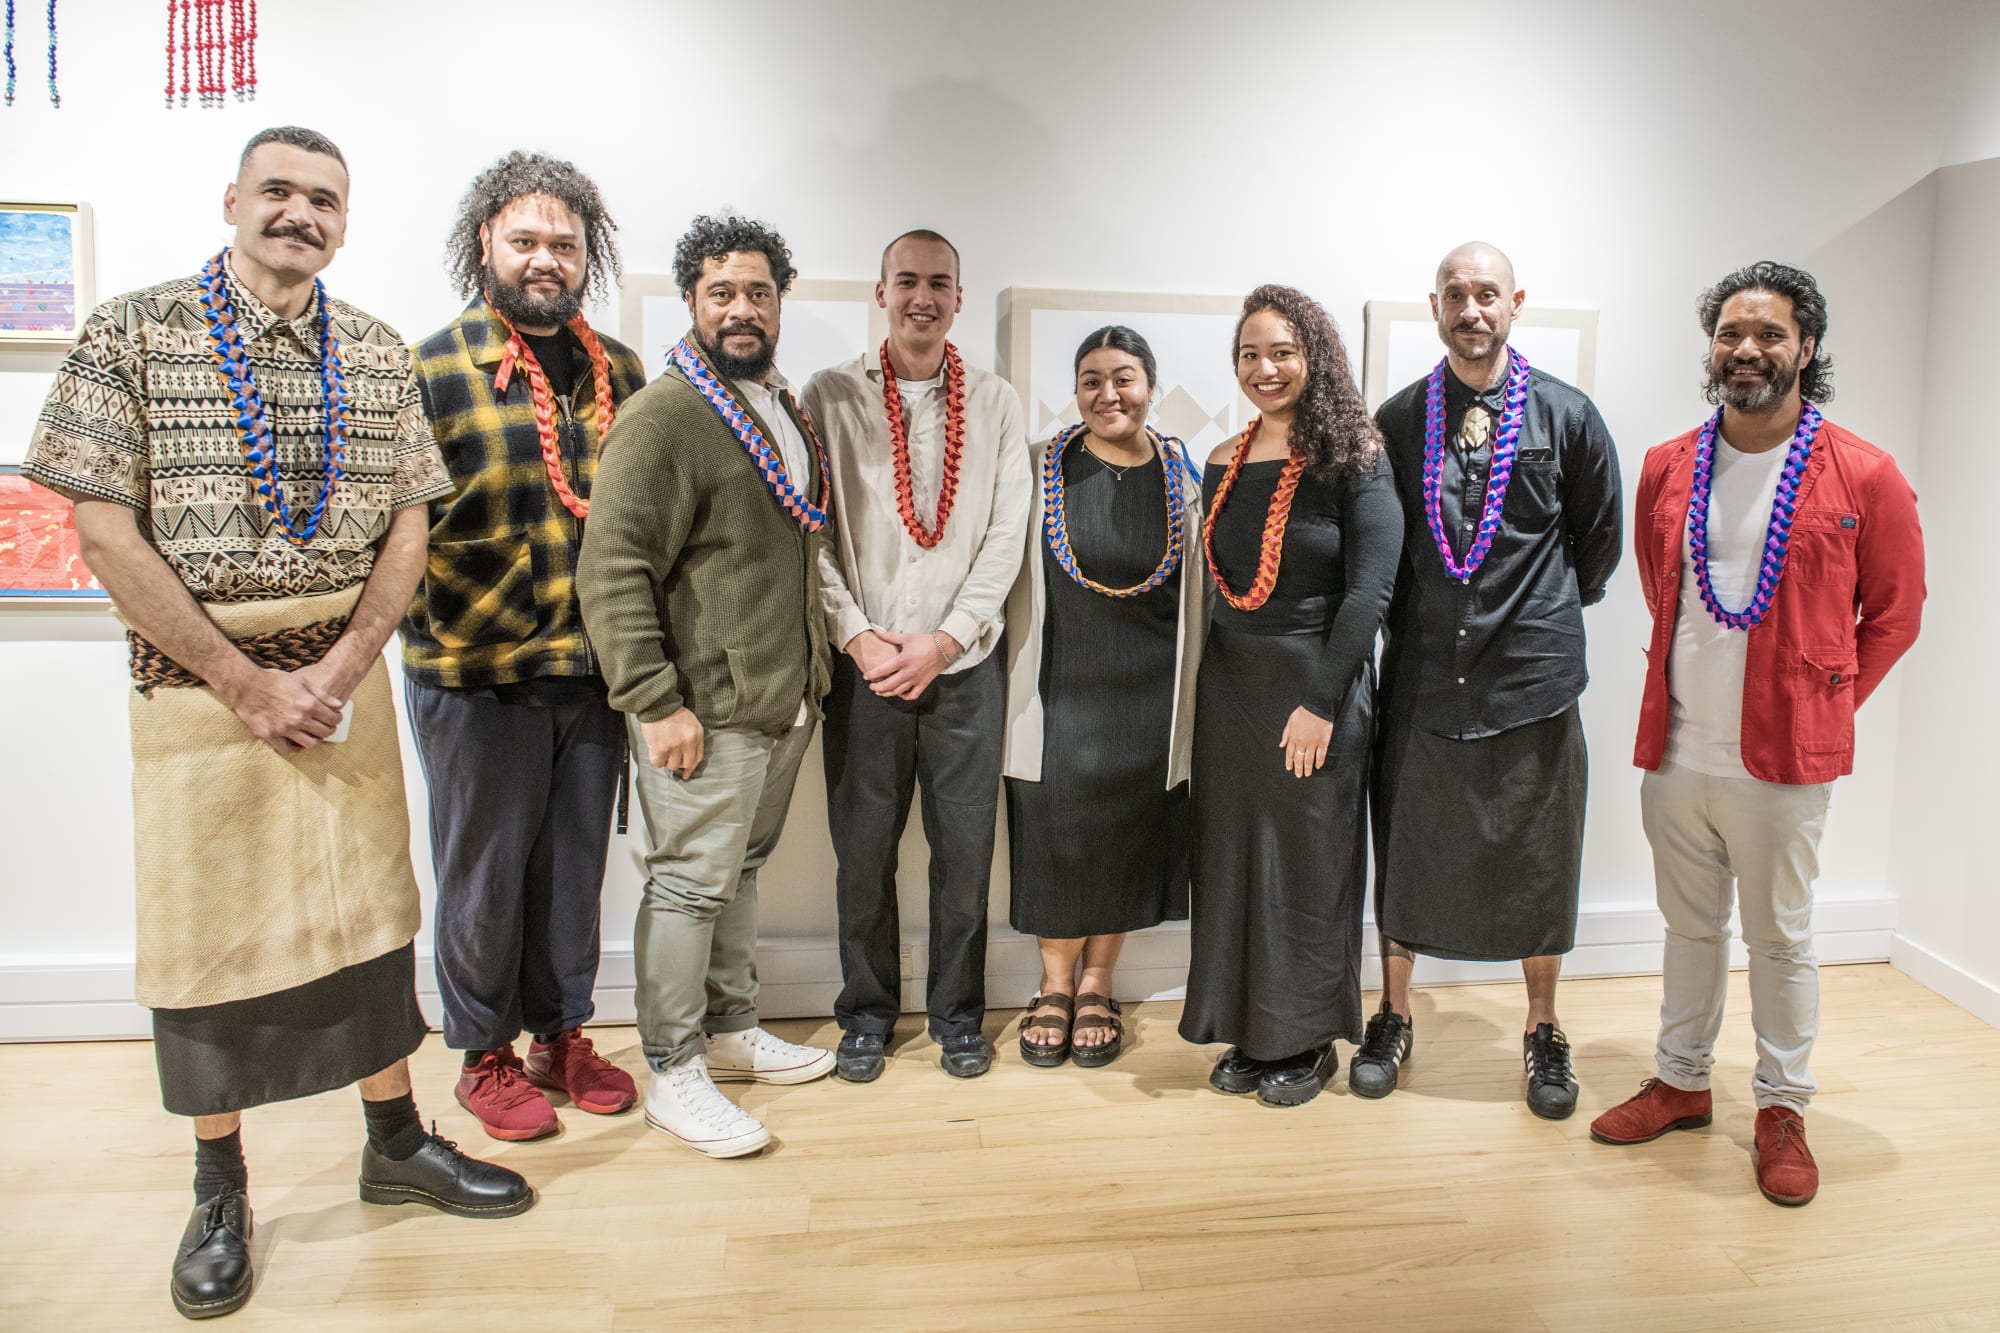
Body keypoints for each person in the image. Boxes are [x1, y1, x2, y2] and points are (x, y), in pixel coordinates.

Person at [21, 126, 533, 1322]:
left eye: (326, 200)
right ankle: (217, 1184)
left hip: (341, 694)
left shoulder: (369, 348)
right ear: (233, 201)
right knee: (208, 946)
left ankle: (396, 1139)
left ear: (345, 223)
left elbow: (410, 520)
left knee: (370, 920)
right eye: (280, 192)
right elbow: (104, 530)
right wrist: (246, 681)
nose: (301, 213)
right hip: (202, 700)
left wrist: (347, 664)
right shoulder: (132, 332)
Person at [1591, 261, 1924, 1206]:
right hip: (1678, 749)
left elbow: (1894, 614)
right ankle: (1682, 1080)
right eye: (1732, 333)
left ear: (1805, 348)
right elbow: (1667, 596)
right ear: (1712, 347)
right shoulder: (1668, 463)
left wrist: (1822, 701)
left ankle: (1781, 1107)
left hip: (1783, 762)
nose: (1747, 350)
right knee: (1690, 928)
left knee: (1781, 937)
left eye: (1770, 334)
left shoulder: (1863, 471)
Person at [576, 214, 836, 1159]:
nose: (741, 308)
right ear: (691, 299)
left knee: (742, 872)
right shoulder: (668, 415)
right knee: (688, 886)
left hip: (781, 698)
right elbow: (611, 569)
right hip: (704, 710)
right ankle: (674, 1068)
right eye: (721, 291)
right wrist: (653, 701)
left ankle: (730, 1028)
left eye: (758, 292)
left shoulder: (778, 402)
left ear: (779, 302)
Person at [401, 152, 647, 1141]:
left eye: (564, 243)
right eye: (526, 241)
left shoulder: (620, 373)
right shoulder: (425, 367)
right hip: (474, 672)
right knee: (484, 871)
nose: (545, 259)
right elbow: (393, 529)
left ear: (587, 255)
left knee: (573, 869)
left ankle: (562, 1034)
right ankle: (483, 1052)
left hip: (592, 669)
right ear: (484, 246)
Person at [1358, 242, 1624, 1118]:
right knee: (1405, 844)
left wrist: (1531, 613)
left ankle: (1543, 1027)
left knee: (1537, 855)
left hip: (1532, 675)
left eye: (1486, 294)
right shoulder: (1396, 421)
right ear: (1432, 307)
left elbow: (1597, 549)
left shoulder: (1568, 415)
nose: (1471, 309)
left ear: (1516, 303)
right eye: (1454, 295)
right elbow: (1381, 553)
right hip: (1427, 673)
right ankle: (1393, 1014)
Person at [803, 230, 1032, 1082]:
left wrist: (942, 641)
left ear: (960, 299)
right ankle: (864, 1013)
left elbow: (1007, 539)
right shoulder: (827, 397)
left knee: (964, 856)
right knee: (861, 855)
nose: (922, 298)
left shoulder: (1000, 404)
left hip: (964, 671)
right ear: (881, 291)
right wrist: (858, 636)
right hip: (862, 673)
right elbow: (810, 535)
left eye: (939, 283)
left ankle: (957, 1015)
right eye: (907, 281)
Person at [1179, 285, 1403, 1107]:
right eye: (1249, 354)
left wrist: (1320, 699)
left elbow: (1370, 590)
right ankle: (1248, 1028)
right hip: (1232, 689)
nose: (1264, 369)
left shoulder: (1357, 458)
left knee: (1307, 867)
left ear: (1316, 356)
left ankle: (1304, 1040)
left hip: (1316, 687)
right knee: (1234, 860)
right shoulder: (1221, 461)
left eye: (1282, 352)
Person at [999, 326, 1205, 1068]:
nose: (1107, 393)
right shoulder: (1041, 466)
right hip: (1058, 687)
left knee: (1125, 837)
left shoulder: (1184, 474)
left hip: (1149, 691)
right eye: (1091, 379)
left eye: (1123, 377)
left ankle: (1097, 984)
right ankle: (1052, 984)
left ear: (1149, 384)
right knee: (1057, 836)